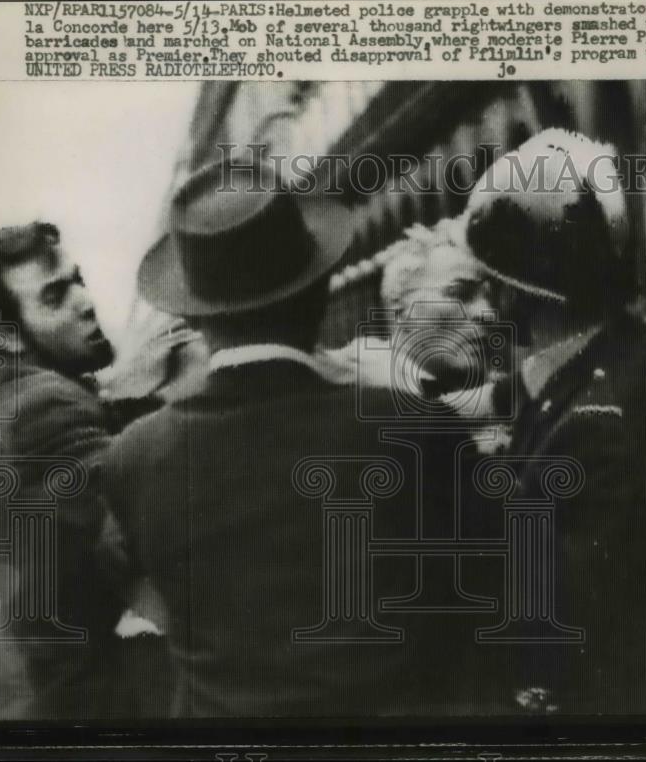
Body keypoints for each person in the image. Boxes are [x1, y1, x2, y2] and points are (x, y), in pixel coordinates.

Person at [104, 159, 474, 717]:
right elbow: (483, 606)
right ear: (321, 289)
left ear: (196, 316)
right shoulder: (414, 426)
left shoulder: (133, 456)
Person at [461, 129, 646, 713]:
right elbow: (523, 397)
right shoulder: (615, 354)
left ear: (515, 296)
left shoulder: (598, 422)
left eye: (483, 289)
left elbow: (557, 614)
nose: (475, 311)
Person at [0, 222, 167, 718]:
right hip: (82, 702)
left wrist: (136, 398)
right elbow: (147, 521)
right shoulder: (45, 404)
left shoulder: (7, 399)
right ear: (5, 334)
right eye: (55, 295)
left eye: (78, 280)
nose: (86, 302)